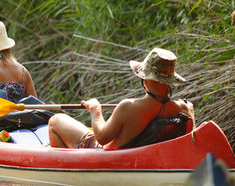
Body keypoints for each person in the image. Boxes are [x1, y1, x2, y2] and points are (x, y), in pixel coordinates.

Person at [48, 48, 195, 149]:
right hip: (146, 157)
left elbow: (101, 138)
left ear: (145, 79)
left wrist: (95, 110)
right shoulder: (185, 109)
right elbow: (189, 139)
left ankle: (67, 167)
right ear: (170, 82)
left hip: (104, 156)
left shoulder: (128, 107)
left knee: (55, 121)